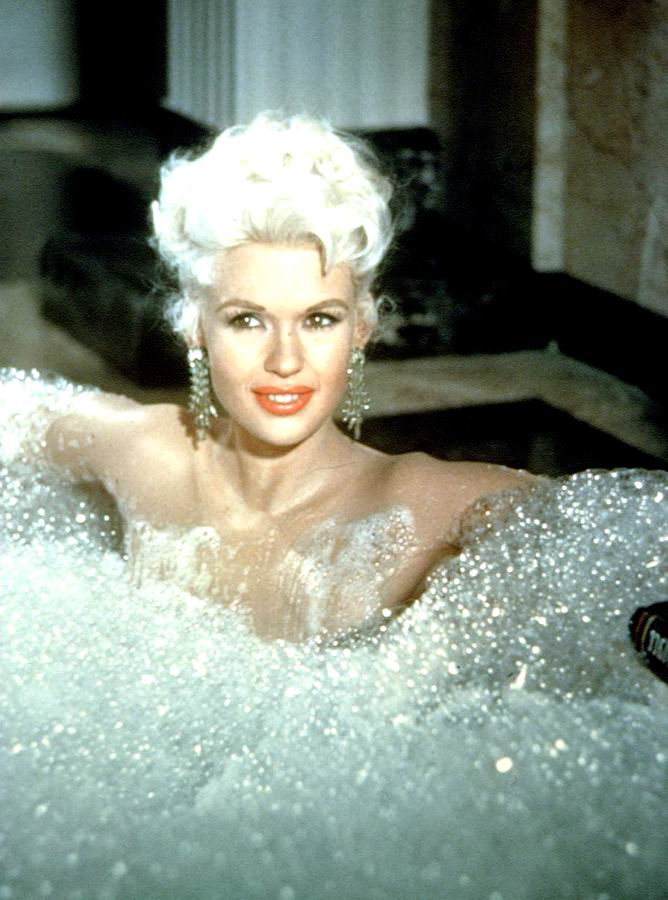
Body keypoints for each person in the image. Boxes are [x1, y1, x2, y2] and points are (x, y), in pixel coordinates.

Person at [44, 113, 534, 642]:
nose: (285, 361)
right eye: (247, 320)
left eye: (319, 320)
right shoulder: (144, 454)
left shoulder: (421, 506)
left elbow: (586, 531)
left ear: (361, 328)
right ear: (195, 329)